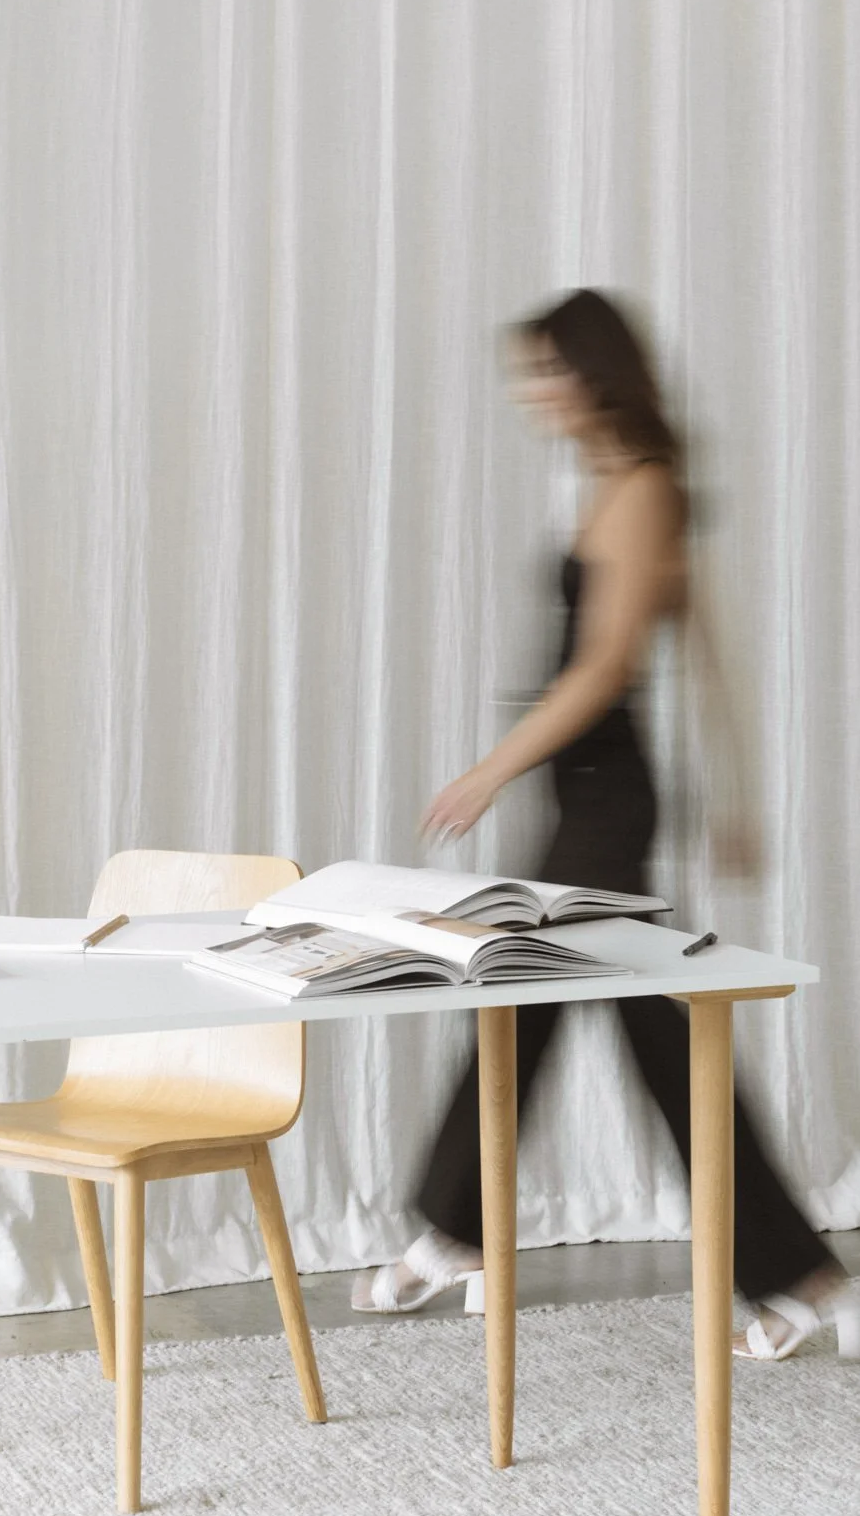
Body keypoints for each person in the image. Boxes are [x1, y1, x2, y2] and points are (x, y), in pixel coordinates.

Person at [353, 289, 857, 1362]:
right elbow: (704, 639)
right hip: (593, 794)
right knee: (640, 1031)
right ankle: (801, 1277)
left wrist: (490, 768)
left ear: (592, 373)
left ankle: (457, 1228)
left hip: (606, 800)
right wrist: (730, 794)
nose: (531, 393)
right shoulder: (625, 488)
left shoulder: (639, 491)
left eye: (544, 370)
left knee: (529, 996)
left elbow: (606, 667)